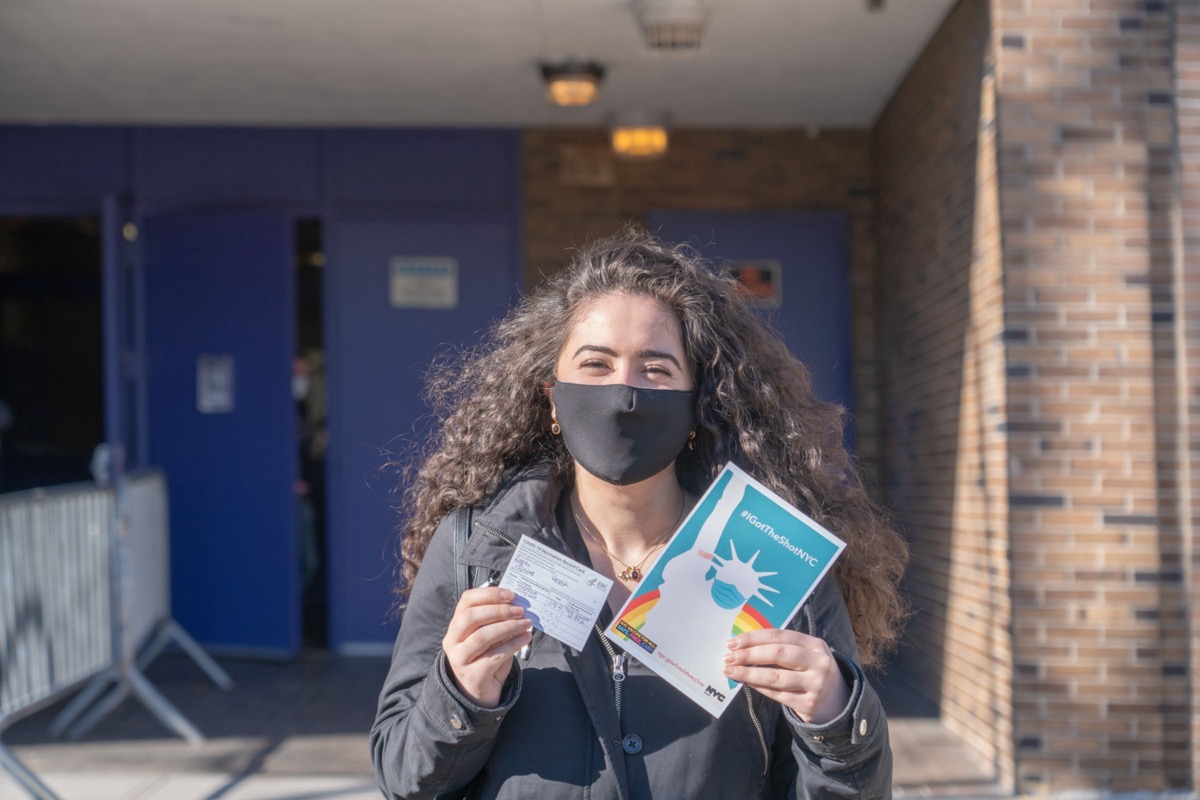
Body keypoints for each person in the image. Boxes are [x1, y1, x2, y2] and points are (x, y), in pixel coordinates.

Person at [371, 228, 909, 799]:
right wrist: (460, 696)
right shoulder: (473, 549)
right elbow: (404, 777)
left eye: (656, 369)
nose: (625, 393)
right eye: (596, 365)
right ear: (552, 399)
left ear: (698, 402)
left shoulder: (776, 558)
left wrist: (837, 718)